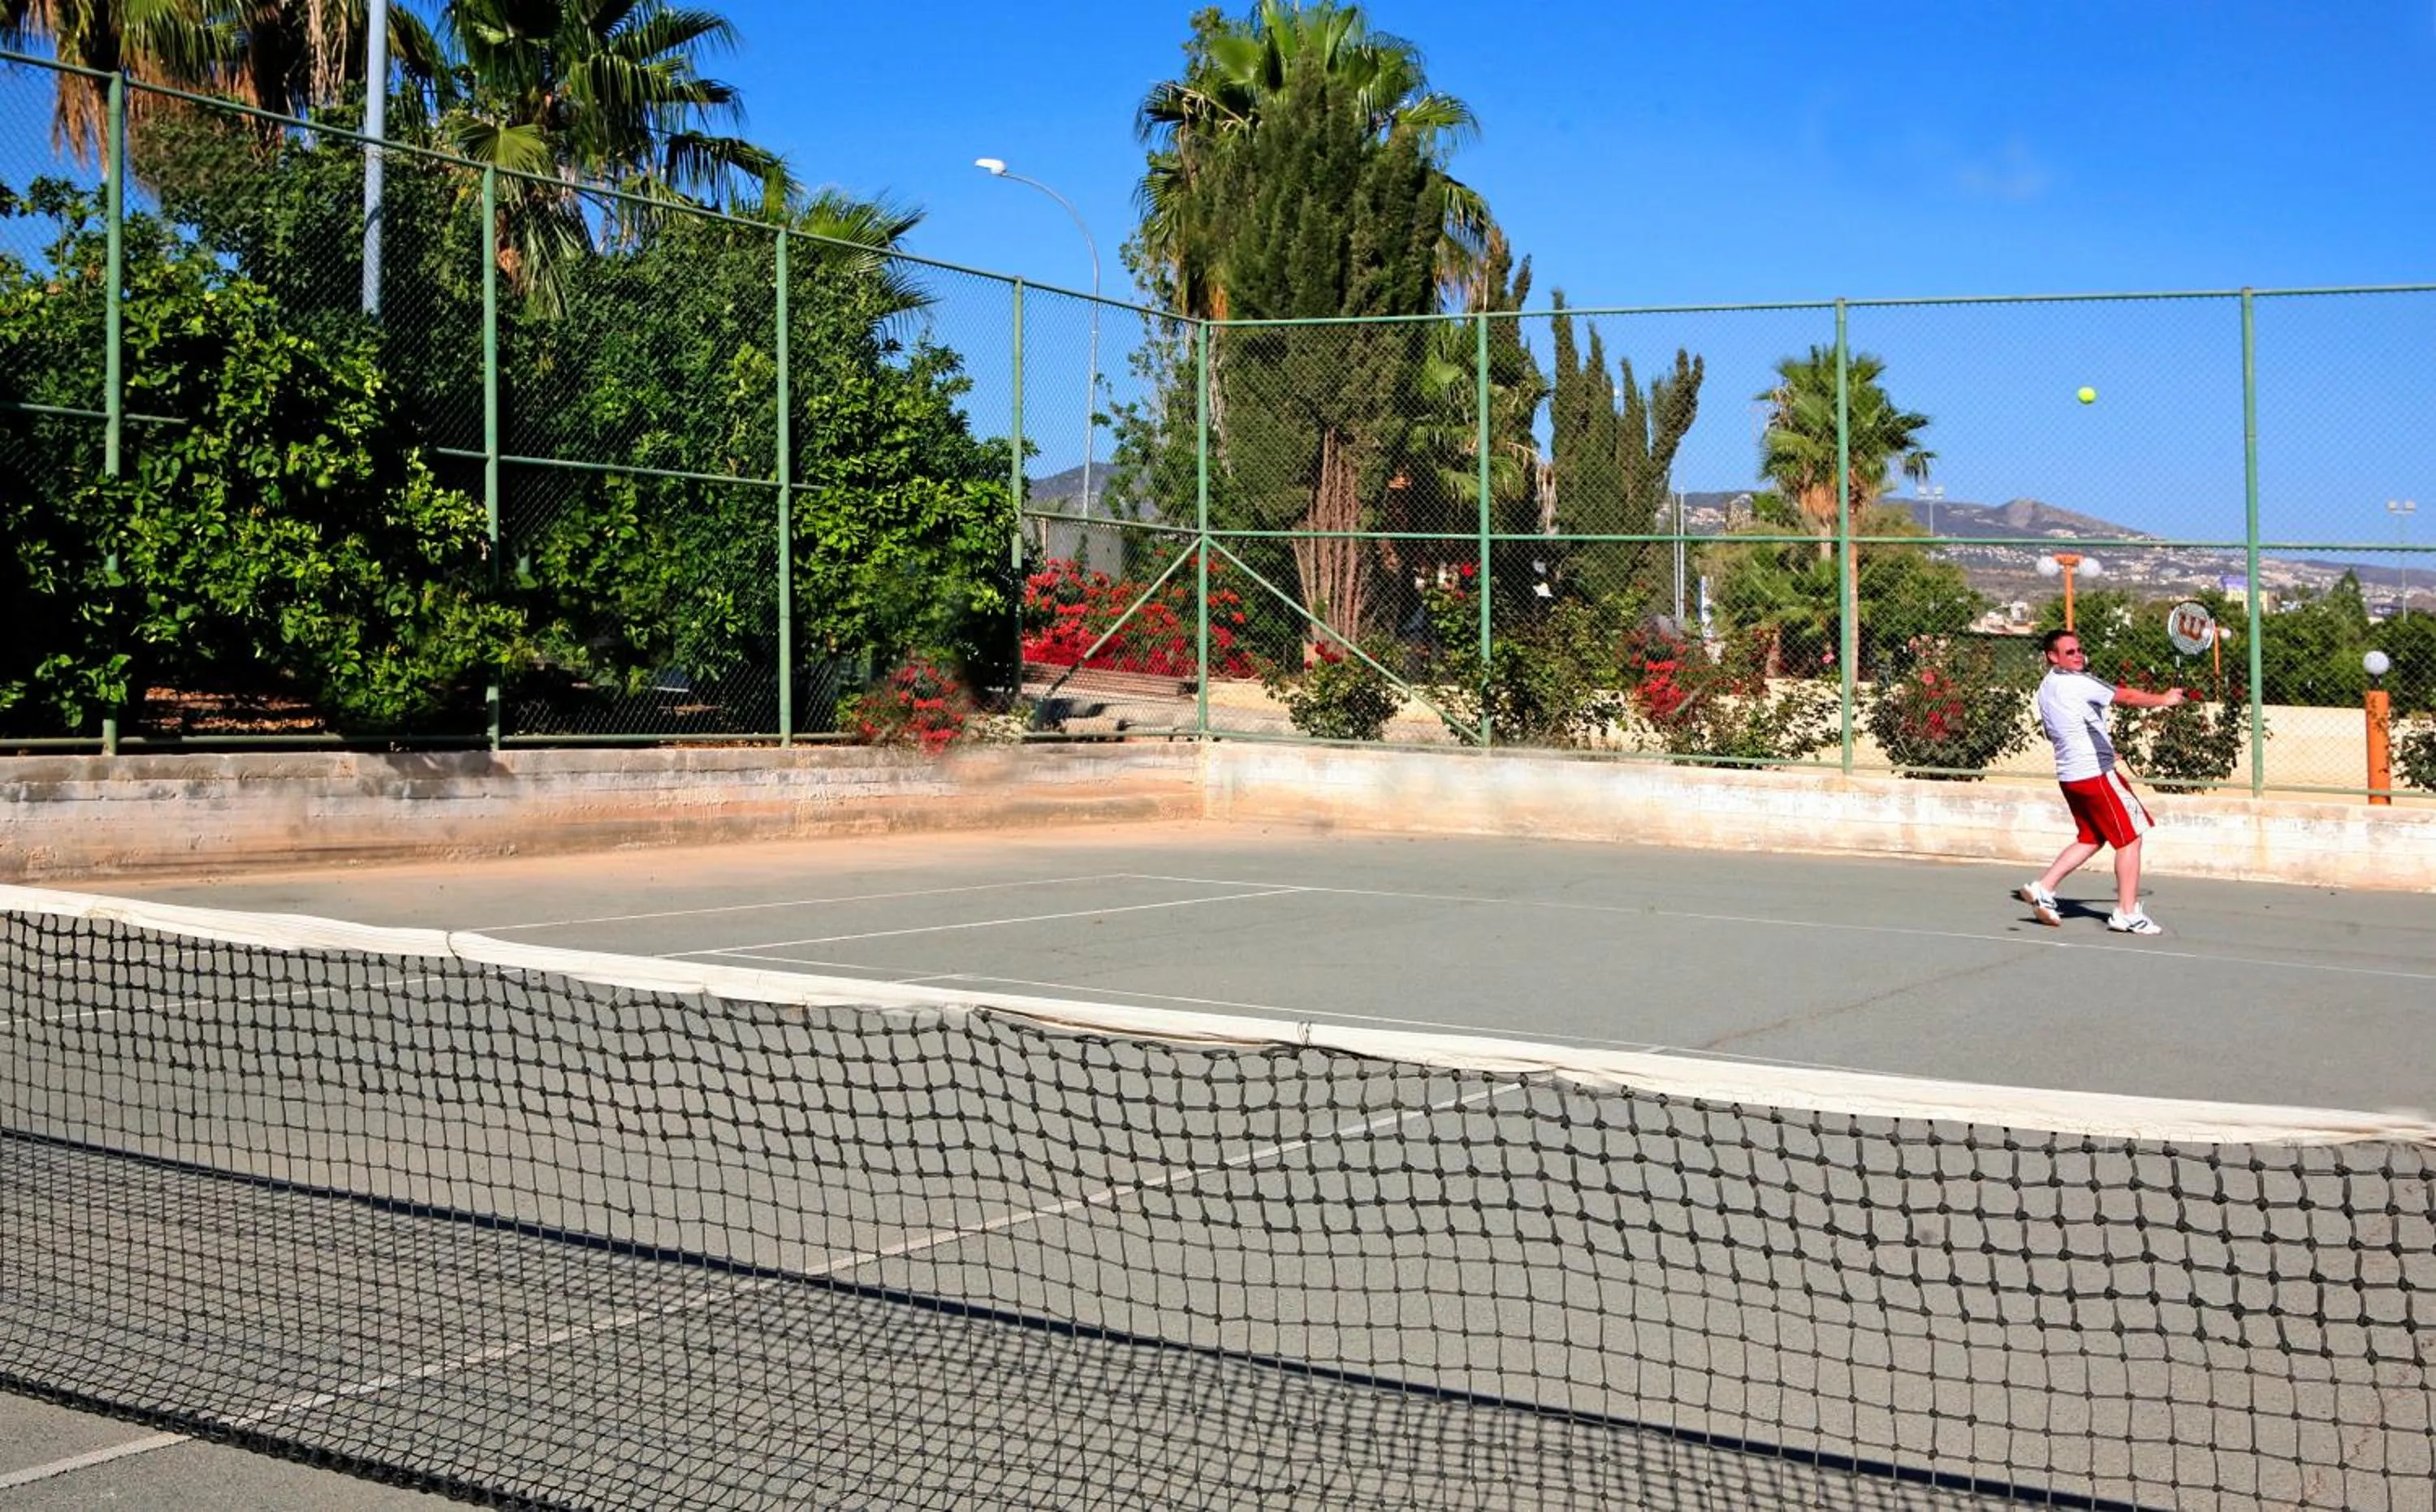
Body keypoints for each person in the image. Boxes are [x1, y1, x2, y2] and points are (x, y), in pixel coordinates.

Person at [2017, 629, 2187, 935]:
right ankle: (2126, 912)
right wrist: (2165, 699)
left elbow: (2065, 727)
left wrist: (2104, 748)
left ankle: (2043, 887)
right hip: (2095, 775)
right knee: (2131, 838)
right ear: (2052, 657)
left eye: (2080, 649)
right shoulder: (2080, 682)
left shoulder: (2046, 687)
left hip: (2070, 776)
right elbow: (2128, 696)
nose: (2078, 655)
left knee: (2091, 837)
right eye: (2070, 652)